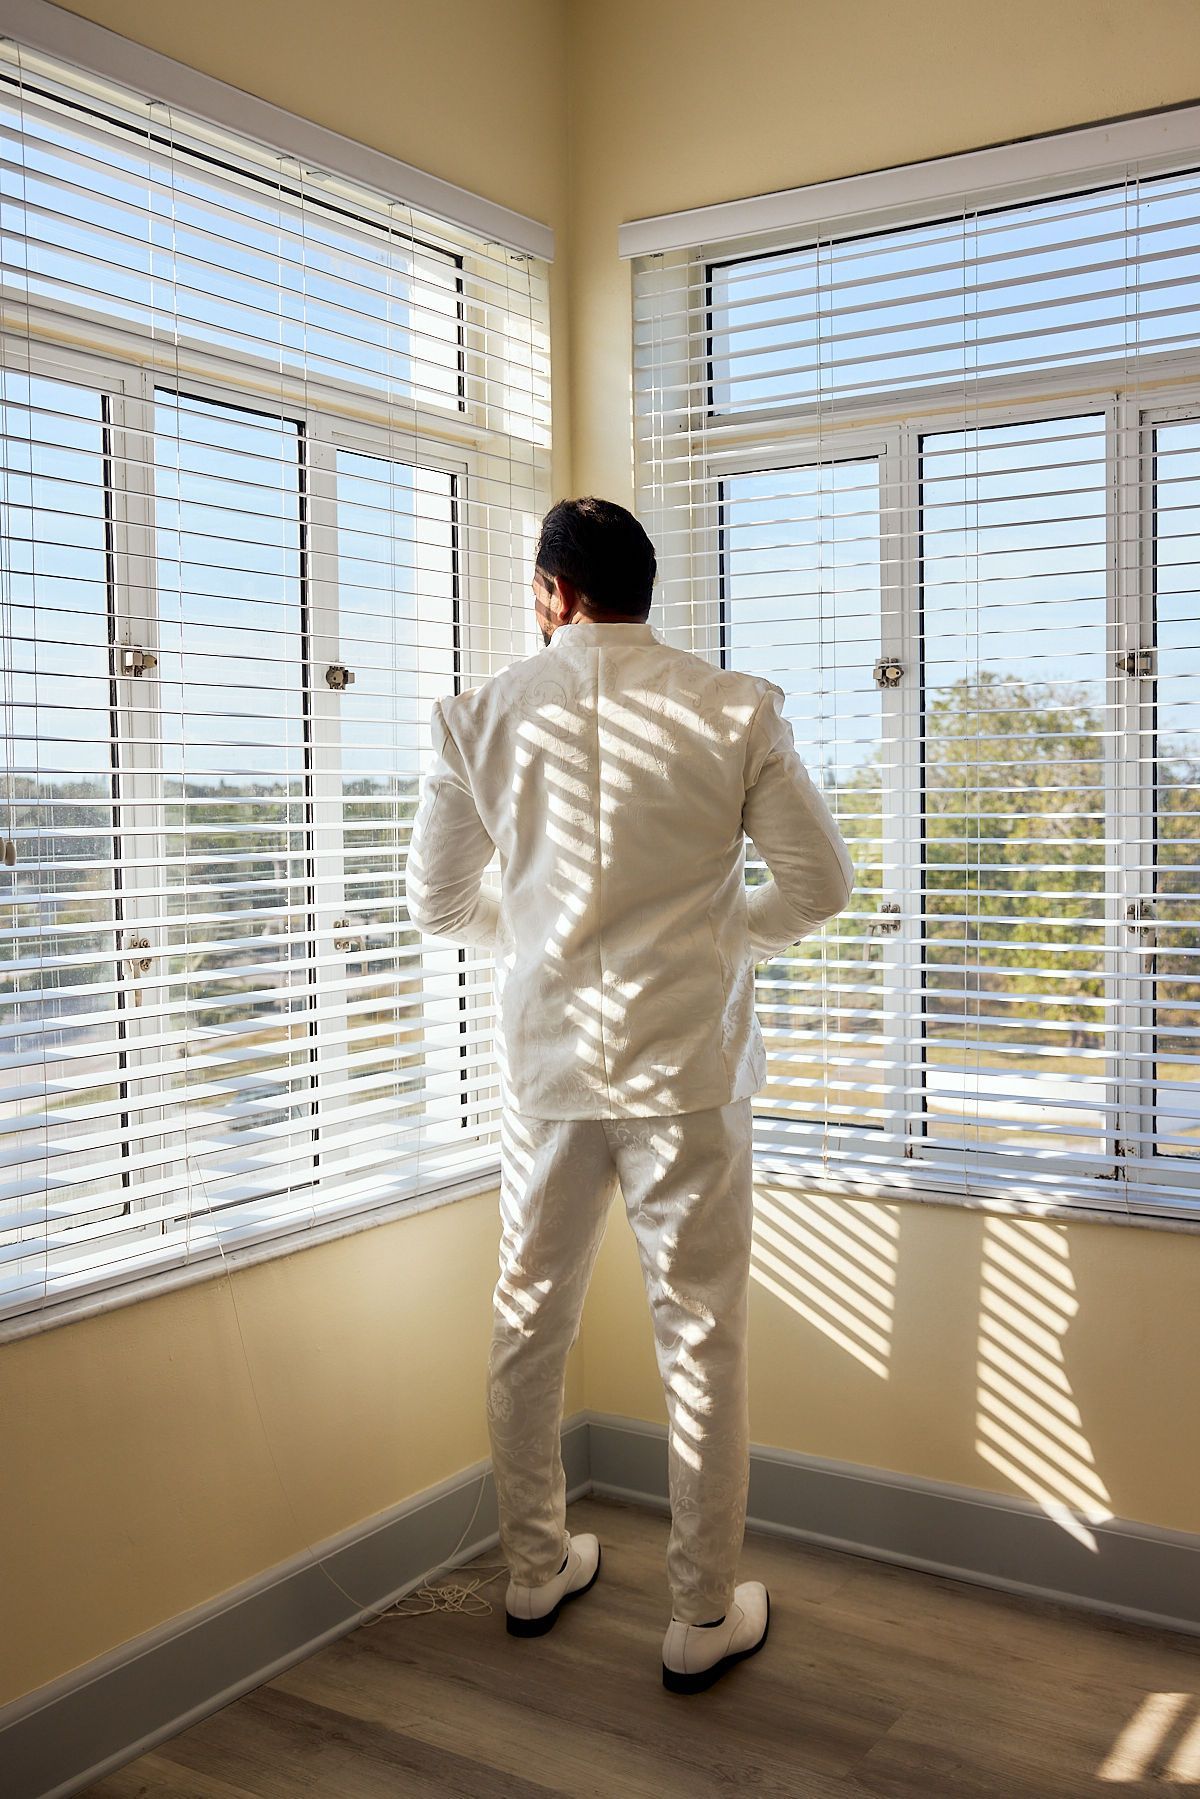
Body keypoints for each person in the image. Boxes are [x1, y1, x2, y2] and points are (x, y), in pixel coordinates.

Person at [404, 496, 854, 1694]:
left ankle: (534, 1567)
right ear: (645, 590)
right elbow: (821, 887)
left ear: (551, 589)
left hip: (550, 1073)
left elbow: (441, 906)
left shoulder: (478, 715)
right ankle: (702, 1615)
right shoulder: (732, 707)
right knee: (701, 1335)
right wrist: (716, 944)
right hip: (687, 1073)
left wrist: (548, 941)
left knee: (527, 1319)